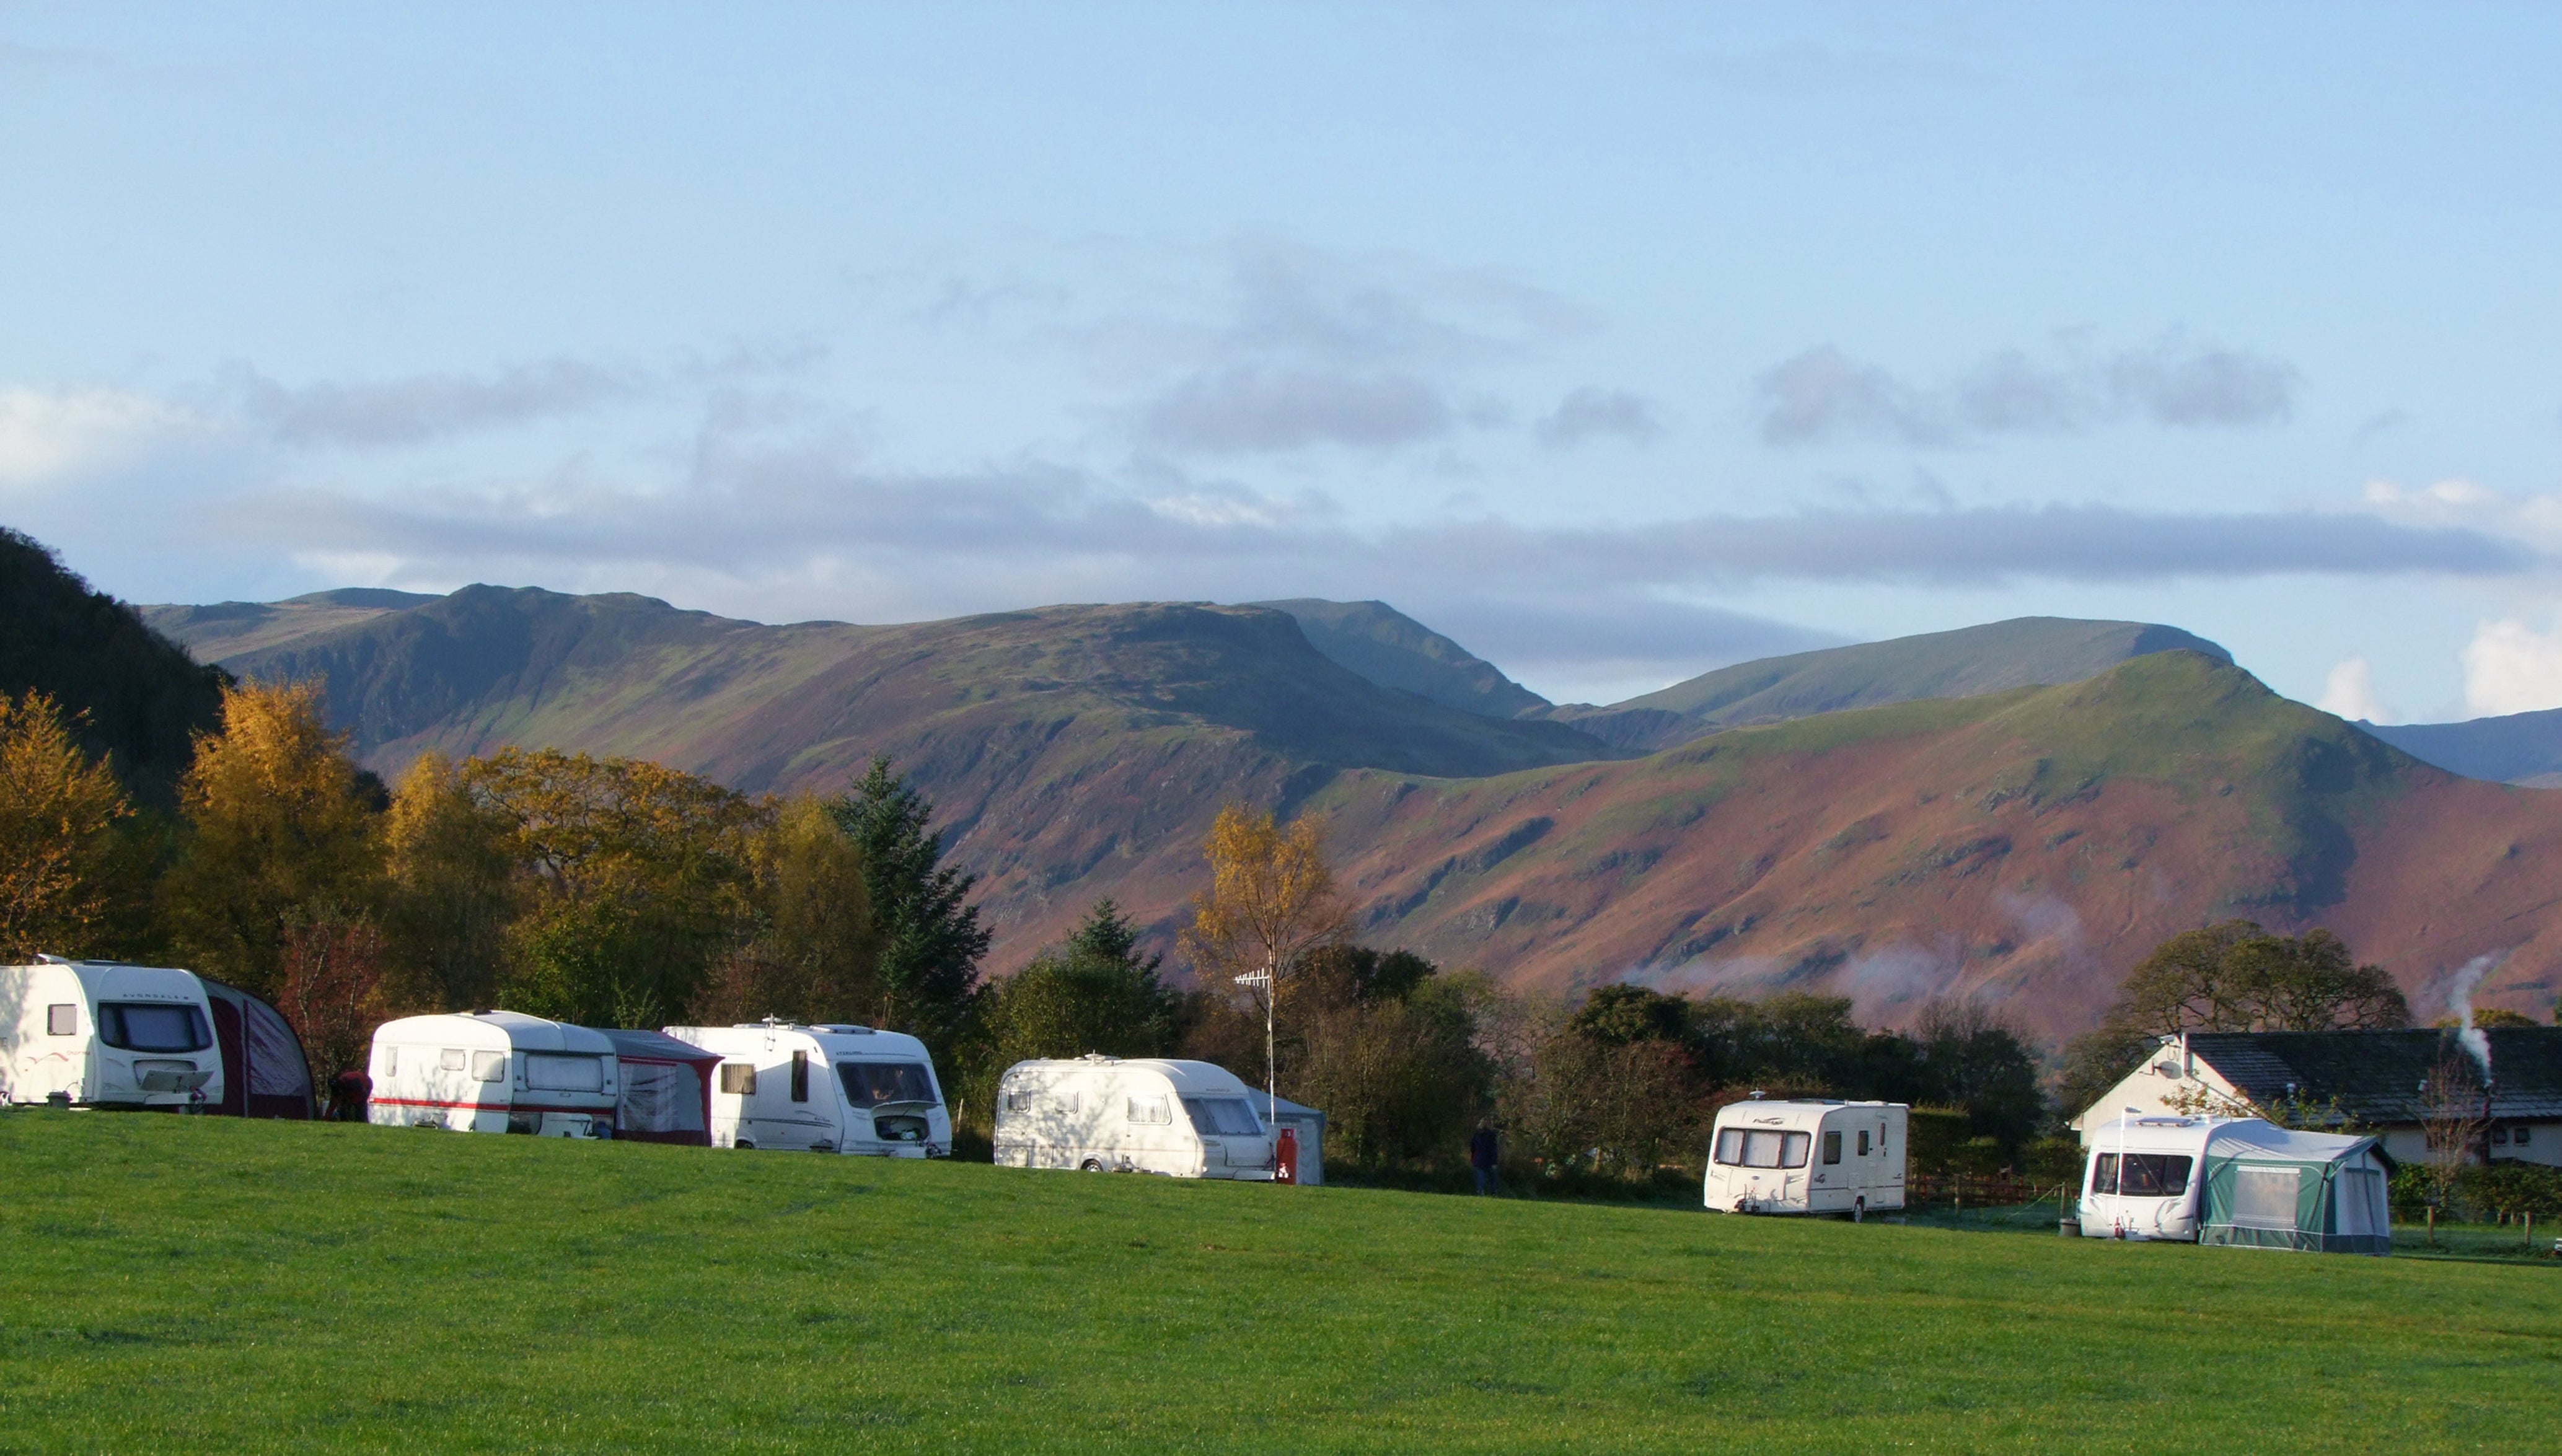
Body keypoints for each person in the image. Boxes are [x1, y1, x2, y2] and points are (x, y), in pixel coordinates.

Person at [1469, 1121, 1501, 1195]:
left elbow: (1472, 1148)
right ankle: (1494, 1192)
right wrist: (1495, 1161)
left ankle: (1480, 1191)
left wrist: (1473, 1158)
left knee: (1480, 1177)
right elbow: (1494, 1149)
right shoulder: (1492, 1136)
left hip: (1478, 1159)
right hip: (1490, 1160)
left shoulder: (1477, 1135)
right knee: (1493, 1178)